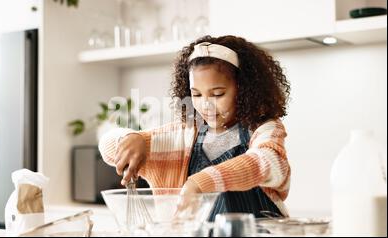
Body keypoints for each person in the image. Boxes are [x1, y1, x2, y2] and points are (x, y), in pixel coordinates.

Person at [99, 35, 291, 219]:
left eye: (217, 94)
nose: (205, 105)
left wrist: (199, 184)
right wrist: (132, 139)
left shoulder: (264, 130)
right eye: (197, 95)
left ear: (244, 90)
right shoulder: (181, 138)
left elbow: (266, 162)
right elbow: (108, 147)